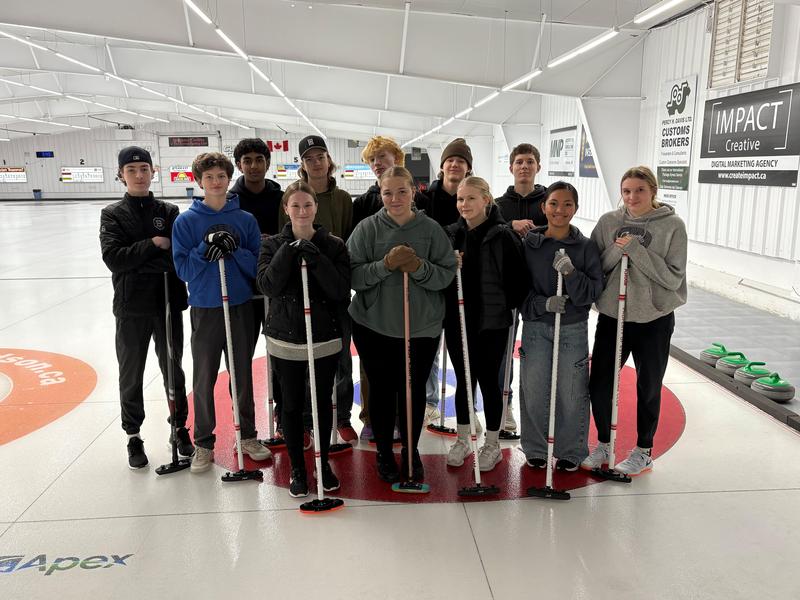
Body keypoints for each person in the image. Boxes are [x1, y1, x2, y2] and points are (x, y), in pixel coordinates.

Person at [348, 166, 457, 483]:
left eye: (401, 191)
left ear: (414, 191)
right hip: (374, 325)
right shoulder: (367, 229)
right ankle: (384, 450)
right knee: (381, 391)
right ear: (379, 194)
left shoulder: (431, 230)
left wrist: (420, 267)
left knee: (412, 391)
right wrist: (385, 265)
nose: (394, 198)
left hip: (420, 327)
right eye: (387, 192)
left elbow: (445, 275)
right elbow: (353, 276)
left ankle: (411, 450)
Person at [582, 166, 687, 476]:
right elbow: (596, 267)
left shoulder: (672, 226)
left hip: (653, 319)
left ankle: (644, 451)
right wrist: (618, 251)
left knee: (649, 385)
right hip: (615, 317)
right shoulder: (608, 222)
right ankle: (603, 442)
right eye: (626, 191)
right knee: (599, 382)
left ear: (652, 191)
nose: (632, 197)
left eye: (639, 190)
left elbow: (673, 277)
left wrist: (638, 251)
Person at [171, 151, 271, 473]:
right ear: (199, 182)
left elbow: (257, 264)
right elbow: (184, 269)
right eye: (209, 177)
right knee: (204, 377)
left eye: (221, 176)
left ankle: (247, 435)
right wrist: (205, 249)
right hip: (206, 307)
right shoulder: (186, 222)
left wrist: (234, 250)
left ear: (229, 179)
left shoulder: (245, 220)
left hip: (240, 306)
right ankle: (203, 442)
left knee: (241, 373)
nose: (215, 182)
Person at [100, 146, 193, 469]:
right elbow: (114, 258)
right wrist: (152, 244)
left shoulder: (168, 212)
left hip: (167, 302)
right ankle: (133, 435)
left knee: (173, 370)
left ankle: (179, 427)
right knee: (131, 373)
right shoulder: (112, 214)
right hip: (130, 307)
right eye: (131, 170)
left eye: (144, 168)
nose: (139, 175)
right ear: (121, 174)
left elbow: (176, 260)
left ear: (153, 172)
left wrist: (138, 260)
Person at [256, 181, 351, 498]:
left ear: (316, 208)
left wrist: (317, 258)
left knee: (322, 403)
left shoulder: (334, 245)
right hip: (285, 340)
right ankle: (298, 467)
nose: (301, 211)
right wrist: (288, 252)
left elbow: (339, 290)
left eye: (307, 205)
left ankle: (322, 464)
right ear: (286, 209)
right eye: (294, 206)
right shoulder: (271, 245)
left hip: (323, 337)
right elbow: (268, 286)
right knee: (292, 406)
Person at [443, 177, 528, 472]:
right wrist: (450, 268)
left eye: (470, 198)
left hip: (492, 322)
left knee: (490, 381)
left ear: (486, 200)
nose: (464, 204)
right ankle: (463, 438)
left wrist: (507, 301)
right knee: (464, 381)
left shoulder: (503, 235)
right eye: (460, 199)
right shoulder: (452, 235)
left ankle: (492, 443)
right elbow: (442, 281)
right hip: (458, 320)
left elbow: (518, 281)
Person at [519, 182, 603, 471]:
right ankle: (536, 448)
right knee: (534, 388)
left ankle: (570, 449)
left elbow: (591, 294)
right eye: (554, 203)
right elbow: (518, 291)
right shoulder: (530, 245)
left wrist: (571, 272)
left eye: (568, 204)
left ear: (576, 209)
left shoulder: (586, 247)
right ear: (543, 207)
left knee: (571, 391)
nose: (560, 210)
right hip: (536, 327)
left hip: (572, 328)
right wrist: (543, 304)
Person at [280, 135, 357, 445]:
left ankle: (342, 416)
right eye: (309, 157)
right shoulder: (293, 197)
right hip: (300, 290)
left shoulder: (342, 198)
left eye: (320, 156)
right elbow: (284, 239)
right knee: (300, 360)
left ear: (329, 160)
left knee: (340, 355)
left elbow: (347, 239)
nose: (316, 162)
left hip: (333, 286)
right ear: (302, 163)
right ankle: (305, 419)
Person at [230, 138, 286, 441]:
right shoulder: (230, 199)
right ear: (240, 164)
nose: (253, 166)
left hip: (275, 290)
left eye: (258, 159)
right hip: (242, 291)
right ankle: (245, 422)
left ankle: (282, 416)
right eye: (247, 160)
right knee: (240, 359)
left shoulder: (280, 197)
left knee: (280, 356)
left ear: (267, 162)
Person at [416, 137, 473, 426]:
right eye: (450, 160)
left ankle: (468, 406)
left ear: (467, 168)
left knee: (462, 346)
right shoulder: (426, 199)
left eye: (460, 161)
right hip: (431, 282)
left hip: (464, 284)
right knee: (429, 344)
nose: (455, 164)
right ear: (442, 166)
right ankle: (429, 401)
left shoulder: (473, 197)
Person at [495, 142, 548, 436]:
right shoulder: (499, 206)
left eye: (529, 161)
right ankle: (506, 405)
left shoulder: (550, 201)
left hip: (540, 288)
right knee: (504, 352)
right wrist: (510, 225)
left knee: (536, 351)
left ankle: (536, 409)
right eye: (519, 162)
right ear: (511, 168)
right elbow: (489, 233)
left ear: (537, 166)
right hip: (507, 289)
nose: (524, 166)